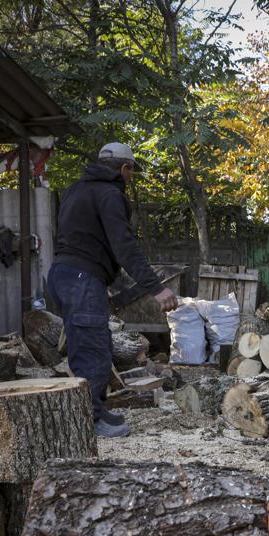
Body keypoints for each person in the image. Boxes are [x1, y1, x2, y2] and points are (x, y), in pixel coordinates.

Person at [49, 142, 179, 438]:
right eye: (131, 172)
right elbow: (124, 246)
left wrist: (100, 280)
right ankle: (90, 421)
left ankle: (96, 408)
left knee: (98, 342)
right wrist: (156, 288)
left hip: (65, 275)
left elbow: (85, 239)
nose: (130, 178)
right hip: (81, 278)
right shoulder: (109, 194)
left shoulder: (74, 191)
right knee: (92, 350)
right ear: (124, 168)